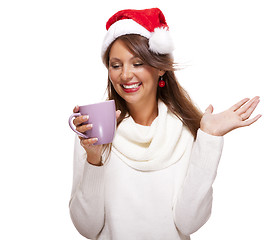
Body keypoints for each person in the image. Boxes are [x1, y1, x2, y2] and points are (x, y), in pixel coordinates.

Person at [69, 8, 261, 240]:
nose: (125, 75)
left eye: (138, 63)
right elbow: (87, 228)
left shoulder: (184, 132)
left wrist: (209, 137)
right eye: (116, 65)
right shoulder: (92, 133)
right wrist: (93, 159)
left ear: (160, 67)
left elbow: (188, 222)